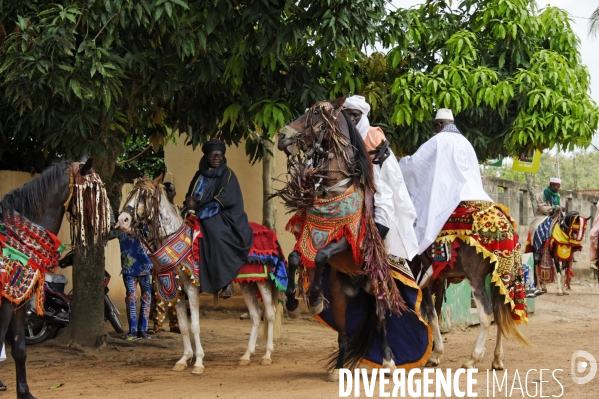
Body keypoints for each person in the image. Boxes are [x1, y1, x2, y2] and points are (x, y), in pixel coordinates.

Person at [399, 108, 494, 285]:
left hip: (448, 198)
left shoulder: (437, 141)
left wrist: (401, 164)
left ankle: (428, 266)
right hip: (476, 197)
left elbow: (414, 167)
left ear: (440, 124)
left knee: (415, 227)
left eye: (435, 126)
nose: (435, 129)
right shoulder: (467, 143)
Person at [342, 95, 419, 262]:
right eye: (348, 114)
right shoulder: (339, 136)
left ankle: (378, 253)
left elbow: (387, 174)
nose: (352, 119)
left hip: (376, 185)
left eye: (356, 114)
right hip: (345, 188)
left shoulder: (373, 136)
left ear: (363, 115)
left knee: (384, 215)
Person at [185, 139, 253, 298]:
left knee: (213, 231)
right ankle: (198, 277)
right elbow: (192, 194)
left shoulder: (228, 175)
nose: (216, 158)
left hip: (225, 214)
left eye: (219, 155)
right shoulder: (199, 174)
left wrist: (200, 210)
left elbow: (222, 200)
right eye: (213, 155)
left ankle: (226, 282)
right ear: (206, 156)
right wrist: (190, 202)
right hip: (199, 210)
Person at [149, 182, 181, 334]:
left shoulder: (179, 211)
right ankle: (158, 324)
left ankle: (175, 323)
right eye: (166, 191)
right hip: (160, 257)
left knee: (176, 290)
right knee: (159, 291)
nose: (169, 194)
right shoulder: (156, 215)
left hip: (176, 258)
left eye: (171, 191)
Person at [527, 178, 565, 294]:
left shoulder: (558, 196)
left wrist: (562, 209)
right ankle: (537, 249)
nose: (558, 188)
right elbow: (543, 208)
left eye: (559, 186)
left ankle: (566, 252)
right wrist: (554, 208)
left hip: (556, 217)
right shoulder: (542, 194)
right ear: (551, 185)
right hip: (543, 217)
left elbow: (560, 206)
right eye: (556, 186)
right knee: (540, 229)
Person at [114, 228, 153, 340]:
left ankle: (142, 330)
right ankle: (133, 331)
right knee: (132, 298)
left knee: (146, 298)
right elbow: (108, 233)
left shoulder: (144, 226)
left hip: (146, 268)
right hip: (129, 270)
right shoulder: (119, 230)